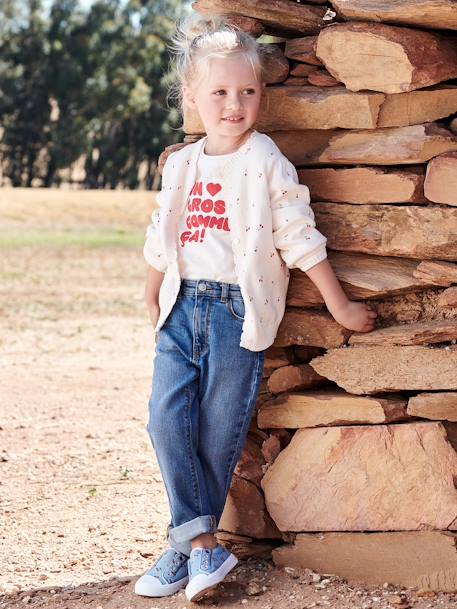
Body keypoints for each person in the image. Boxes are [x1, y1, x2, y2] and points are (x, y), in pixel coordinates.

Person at [135, 12, 377, 603]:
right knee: (166, 422)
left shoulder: (265, 158)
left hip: (236, 313)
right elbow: (161, 233)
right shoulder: (184, 163)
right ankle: (201, 546)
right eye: (218, 92)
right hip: (181, 305)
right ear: (191, 97)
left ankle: (186, 550)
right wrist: (149, 290)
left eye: (247, 91)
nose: (233, 104)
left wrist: (338, 302)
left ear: (262, 96)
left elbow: (298, 234)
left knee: (218, 432)